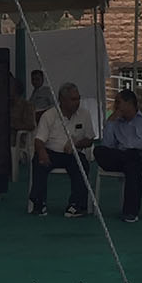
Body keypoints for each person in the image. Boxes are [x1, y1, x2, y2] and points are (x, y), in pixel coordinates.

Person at [97, 88, 142, 223]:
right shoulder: (116, 122)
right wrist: (110, 122)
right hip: (123, 158)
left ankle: (130, 212)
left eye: (118, 102)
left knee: (132, 164)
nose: (115, 106)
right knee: (99, 151)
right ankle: (130, 212)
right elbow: (107, 145)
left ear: (129, 103)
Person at [29, 81, 96, 218]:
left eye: (78, 98)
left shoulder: (85, 114)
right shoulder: (49, 115)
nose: (77, 102)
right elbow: (39, 140)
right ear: (62, 100)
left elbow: (90, 140)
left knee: (82, 164)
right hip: (51, 152)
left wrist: (77, 144)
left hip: (72, 153)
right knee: (39, 162)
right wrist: (42, 153)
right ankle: (39, 203)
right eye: (73, 99)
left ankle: (76, 205)